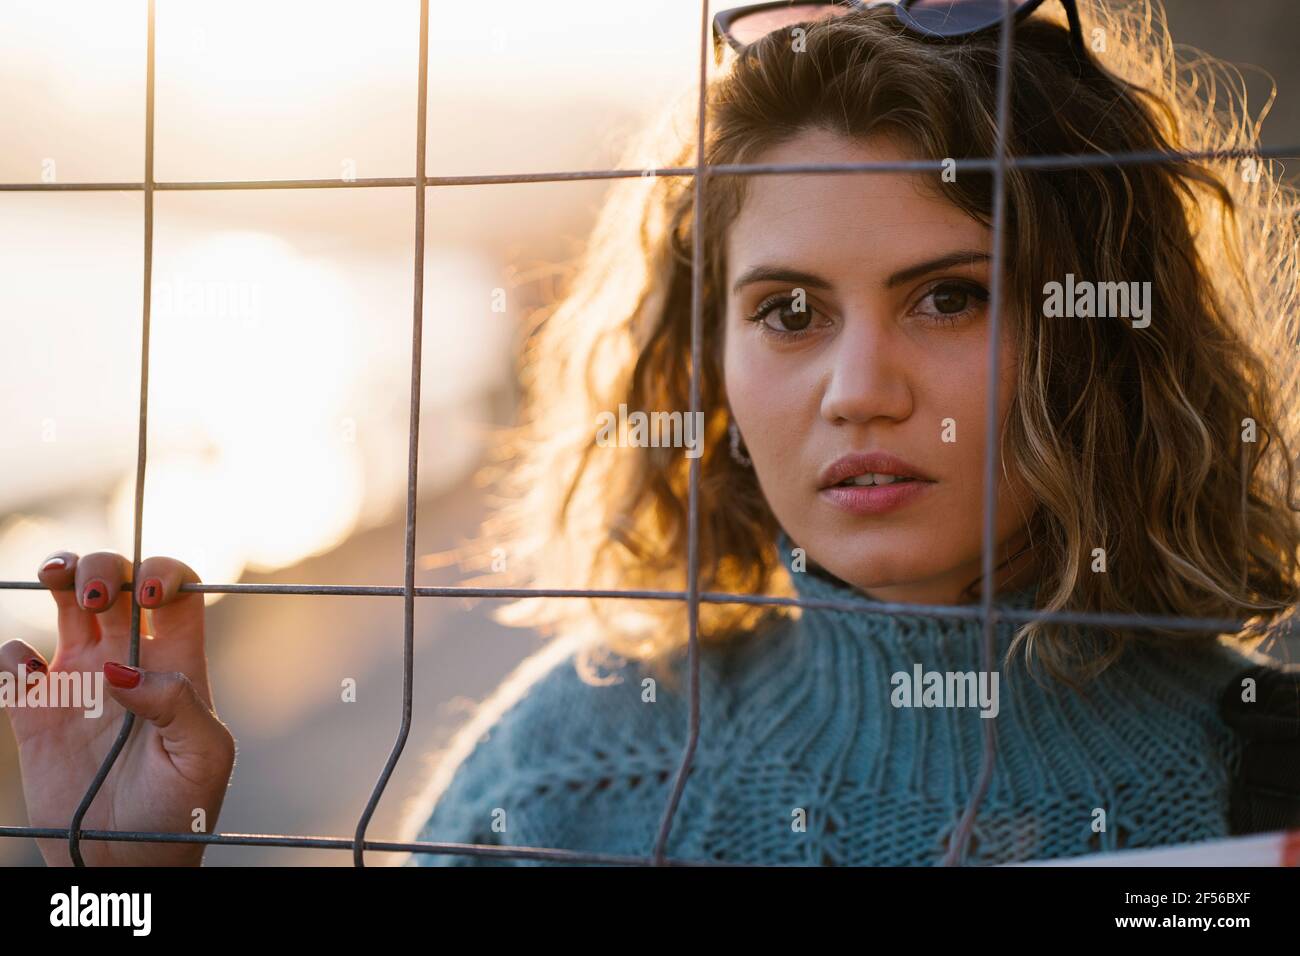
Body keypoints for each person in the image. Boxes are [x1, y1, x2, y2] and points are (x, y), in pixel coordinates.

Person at [4, 0, 1297, 867]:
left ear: (1100, 333)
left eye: (950, 295)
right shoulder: (569, 775)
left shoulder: (1269, 768)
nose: (861, 388)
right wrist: (111, 885)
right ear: (708, 361)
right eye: (788, 311)